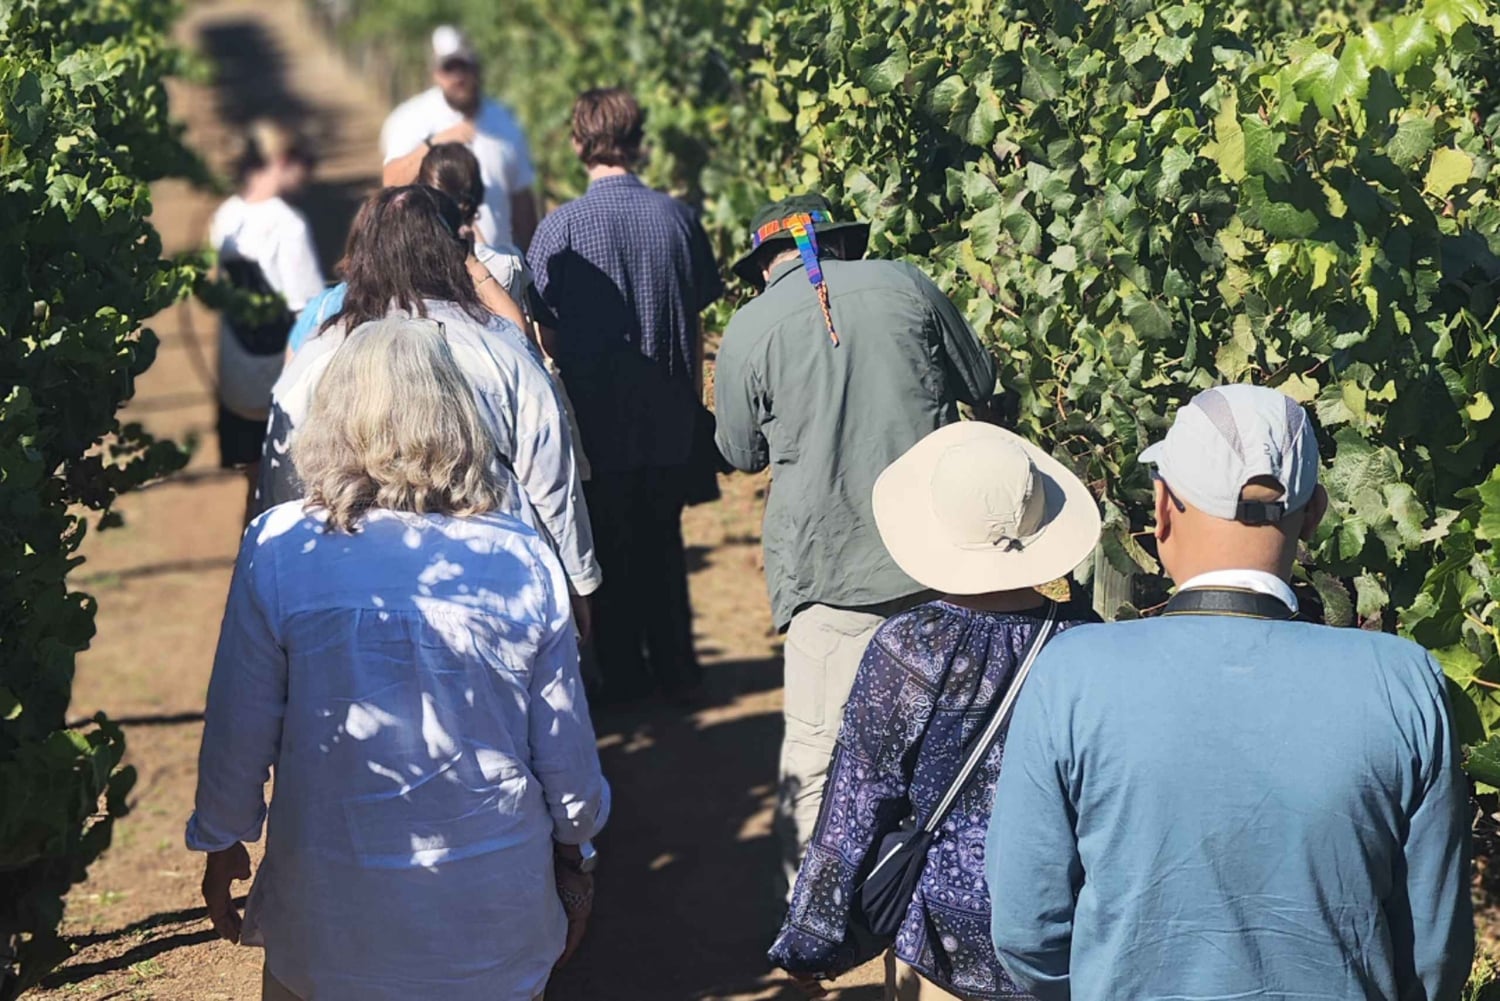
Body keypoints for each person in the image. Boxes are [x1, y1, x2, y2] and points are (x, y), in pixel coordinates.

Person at [986, 385, 1474, 1001]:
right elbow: (1434, 950)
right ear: (1315, 514)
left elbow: (1027, 931)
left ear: (1162, 507)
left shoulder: (1071, 673)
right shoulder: (1404, 680)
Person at [188, 319, 608, 1001]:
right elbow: (562, 746)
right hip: (490, 917)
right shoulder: (518, 555)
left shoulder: (282, 546)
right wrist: (576, 852)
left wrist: (223, 837)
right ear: (455, 415)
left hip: (326, 917)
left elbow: (241, 721)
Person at [714, 193, 997, 888]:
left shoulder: (750, 328)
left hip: (826, 572)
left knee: (817, 750)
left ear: (763, 265)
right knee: (945, 745)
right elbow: (982, 383)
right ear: (842, 243)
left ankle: (814, 913)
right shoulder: (908, 283)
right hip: (938, 564)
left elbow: (739, 452)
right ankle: (942, 905)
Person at [770, 422, 1102, 1000]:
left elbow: (855, 802)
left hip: (941, 939)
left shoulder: (912, 647)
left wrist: (812, 938)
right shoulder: (1088, 642)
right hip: (1063, 931)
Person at [257, 185, 603, 616]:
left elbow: (283, 481)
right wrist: (575, 581)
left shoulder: (319, 353)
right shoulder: (499, 346)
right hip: (491, 585)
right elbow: (550, 477)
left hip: (353, 590)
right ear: (447, 252)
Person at [527, 88, 723, 704]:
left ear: (578, 144)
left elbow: (545, 332)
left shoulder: (556, 230)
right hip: (668, 417)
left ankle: (624, 680)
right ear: (640, 140)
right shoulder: (679, 219)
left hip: (597, 426)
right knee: (664, 541)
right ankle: (677, 670)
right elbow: (694, 320)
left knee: (607, 550)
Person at [209, 120, 324, 518]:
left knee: (254, 490)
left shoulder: (227, 216)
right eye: (306, 163)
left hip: (236, 379)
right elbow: (309, 315)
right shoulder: (287, 226)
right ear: (283, 161)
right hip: (279, 382)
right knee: (290, 499)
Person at [380, 26, 538, 249]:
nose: (458, 77)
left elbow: (521, 199)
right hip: (437, 272)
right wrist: (433, 145)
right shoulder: (411, 119)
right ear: (435, 73)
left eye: (464, 66)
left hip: (501, 271)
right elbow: (391, 181)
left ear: (476, 67)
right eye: (449, 67)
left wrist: (530, 261)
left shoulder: (504, 122)